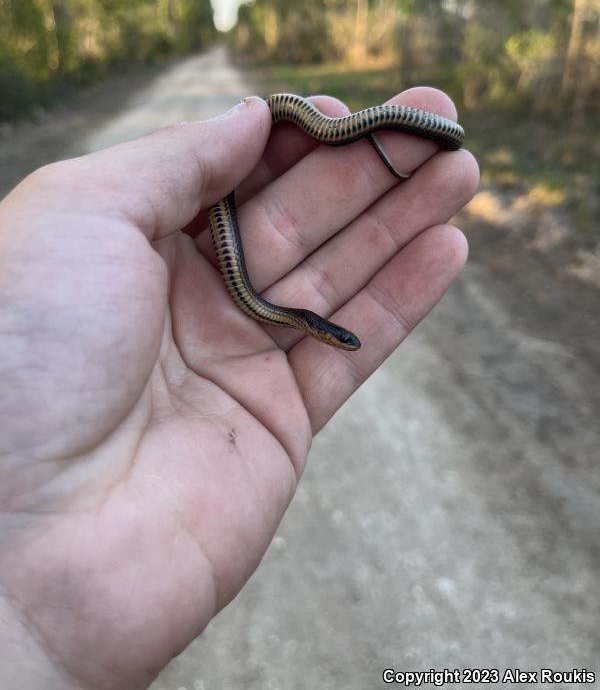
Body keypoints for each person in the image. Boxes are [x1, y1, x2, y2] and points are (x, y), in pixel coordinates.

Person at [0, 90, 478, 689]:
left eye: (338, 339)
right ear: (317, 328)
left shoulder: (284, 312)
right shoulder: (285, 312)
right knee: (324, 127)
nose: (337, 341)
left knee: (388, 134)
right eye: (338, 339)